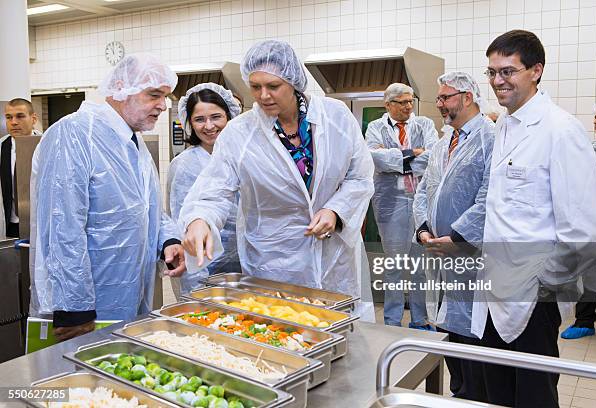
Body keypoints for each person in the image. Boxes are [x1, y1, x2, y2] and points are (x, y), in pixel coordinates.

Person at [180, 40, 376, 320]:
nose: (263, 96)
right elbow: (214, 191)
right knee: (283, 333)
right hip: (274, 261)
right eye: (255, 87)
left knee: (340, 328)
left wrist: (336, 210)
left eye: (273, 86)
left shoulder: (336, 118)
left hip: (334, 256)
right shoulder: (239, 134)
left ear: (294, 82)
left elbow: (360, 176)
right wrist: (200, 219)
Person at [471, 30, 596, 407]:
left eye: (508, 71)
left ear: (536, 71)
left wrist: (542, 284)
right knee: (495, 391)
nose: (498, 81)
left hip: (534, 299)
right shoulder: (505, 126)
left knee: (533, 396)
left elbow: (587, 227)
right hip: (495, 288)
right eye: (492, 72)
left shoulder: (560, 130)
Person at [30, 53, 186, 341]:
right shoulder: (75, 134)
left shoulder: (133, 143)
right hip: (88, 308)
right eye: (154, 95)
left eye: (165, 96)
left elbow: (146, 210)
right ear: (120, 88)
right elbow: (62, 227)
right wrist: (73, 308)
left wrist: (169, 240)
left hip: (131, 296)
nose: (163, 106)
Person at [413, 71, 494, 401]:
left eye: (446, 97)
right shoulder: (444, 141)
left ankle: (475, 396)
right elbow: (423, 192)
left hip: (469, 254)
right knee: (446, 329)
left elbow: (490, 197)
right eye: (440, 98)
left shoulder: (490, 138)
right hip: (436, 251)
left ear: (467, 97)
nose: (440, 104)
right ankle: (459, 393)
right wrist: (422, 229)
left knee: (472, 333)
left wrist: (459, 236)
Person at [365, 83, 437, 327]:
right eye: (402, 103)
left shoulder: (424, 124)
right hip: (389, 201)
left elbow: (432, 156)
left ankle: (420, 319)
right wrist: (413, 154)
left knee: (419, 265)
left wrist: (396, 157)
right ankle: (392, 320)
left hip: (420, 199)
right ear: (388, 105)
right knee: (394, 263)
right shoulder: (376, 127)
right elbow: (374, 158)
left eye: (410, 102)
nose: (408, 107)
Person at [167, 83, 241, 295]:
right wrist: (196, 278)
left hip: (247, 265)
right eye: (199, 119)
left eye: (216, 117)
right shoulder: (185, 165)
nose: (209, 126)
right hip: (204, 266)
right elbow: (182, 222)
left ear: (229, 116)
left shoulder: (242, 157)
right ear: (189, 123)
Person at [560, 99, 596, 339]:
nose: (595, 121)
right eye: (595, 117)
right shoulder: (595, 149)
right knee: (589, 269)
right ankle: (584, 320)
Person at [0, 98, 40, 238]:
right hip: (9, 225)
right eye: (9, 117)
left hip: (40, 223)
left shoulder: (47, 146)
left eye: (20, 116)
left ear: (33, 119)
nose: (14, 122)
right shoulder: (2, 148)